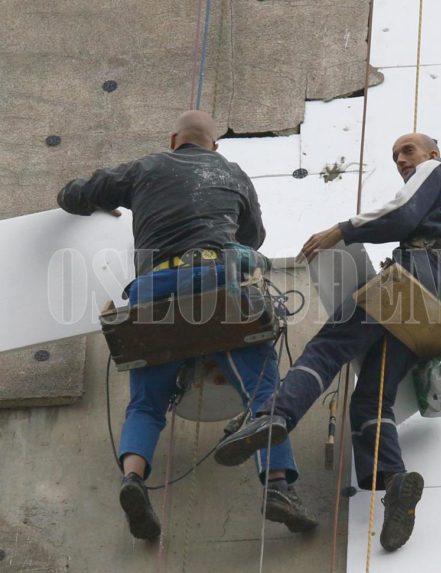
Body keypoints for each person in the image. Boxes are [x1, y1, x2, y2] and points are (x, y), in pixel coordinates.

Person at [214, 133, 441, 551]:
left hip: (419, 277)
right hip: (437, 308)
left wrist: (340, 231)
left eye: (408, 150)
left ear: (433, 153)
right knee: (370, 399)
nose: (401, 160)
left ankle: (276, 416)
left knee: (329, 347)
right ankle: (395, 482)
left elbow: (402, 213)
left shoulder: (439, 171)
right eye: (395, 156)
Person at [57, 110, 317, 540]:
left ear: (172, 139)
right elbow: (253, 238)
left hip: (154, 289)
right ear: (215, 146)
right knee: (262, 391)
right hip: (216, 281)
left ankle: (133, 478)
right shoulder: (232, 173)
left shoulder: (146, 168)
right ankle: (277, 486)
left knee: (146, 402)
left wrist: (95, 200)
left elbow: (74, 195)